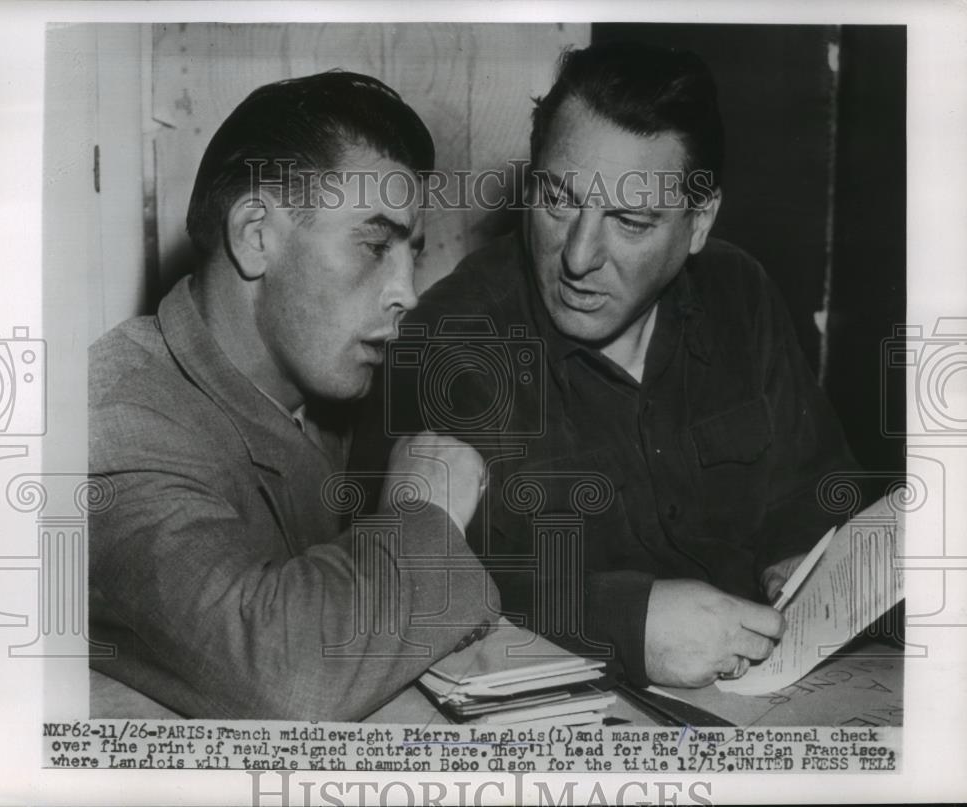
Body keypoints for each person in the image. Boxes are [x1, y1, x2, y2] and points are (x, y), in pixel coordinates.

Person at [350, 42, 859, 689]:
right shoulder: (446, 344)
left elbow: (816, 486)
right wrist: (627, 623)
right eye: (558, 200)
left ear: (698, 223)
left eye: (629, 220)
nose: (579, 256)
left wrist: (800, 559)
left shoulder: (742, 295)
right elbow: (407, 594)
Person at [89, 72, 498, 720]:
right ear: (256, 234)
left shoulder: (335, 393)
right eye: (374, 245)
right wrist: (420, 516)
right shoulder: (116, 423)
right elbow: (284, 677)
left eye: (410, 254)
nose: (407, 292)